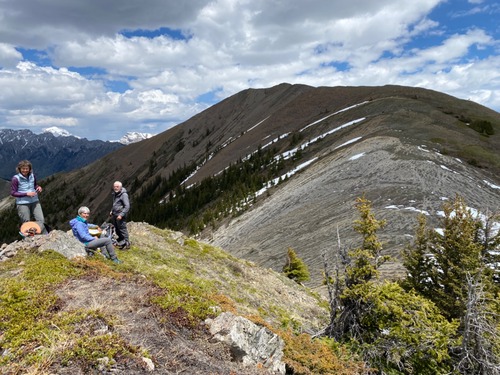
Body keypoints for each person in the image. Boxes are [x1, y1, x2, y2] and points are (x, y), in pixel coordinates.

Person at [11, 160, 47, 234]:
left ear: (30, 169)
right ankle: (28, 238)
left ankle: (38, 234)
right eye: (23, 168)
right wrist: (26, 194)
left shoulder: (32, 176)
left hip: (35, 200)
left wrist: (38, 187)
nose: (25, 170)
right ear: (19, 169)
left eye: (27, 168)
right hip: (22, 203)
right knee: (26, 222)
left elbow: (34, 185)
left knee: (41, 220)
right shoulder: (16, 178)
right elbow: (13, 193)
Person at [110, 181, 130, 249]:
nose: (115, 188)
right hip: (115, 215)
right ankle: (121, 241)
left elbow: (127, 206)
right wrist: (112, 211)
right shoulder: (115, 194)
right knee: (117, 228)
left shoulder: (124, 195)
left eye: (117, 186)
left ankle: (126, 243)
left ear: (120, 187)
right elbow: (115, 204)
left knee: (122, 229)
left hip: (120, 216)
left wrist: (121, 215)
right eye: (114, 186)